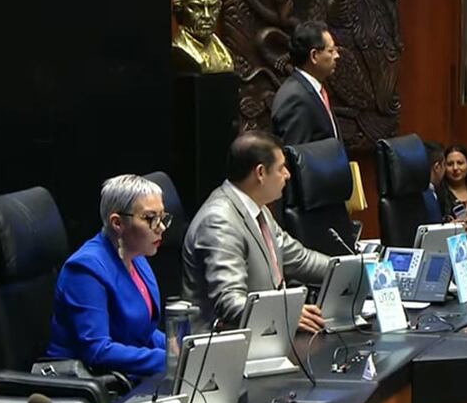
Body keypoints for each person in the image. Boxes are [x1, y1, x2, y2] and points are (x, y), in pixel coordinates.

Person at [182, 130, 330, 332]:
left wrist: (358, 270)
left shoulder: (258, 210)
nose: (287, 175)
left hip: (264, 335)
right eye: (281, 168)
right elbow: (229, 302)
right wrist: (285, 314)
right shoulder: (219, 221)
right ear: (260, 173)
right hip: (223, 348)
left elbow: (300, 258)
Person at [46, 175, 170, 378]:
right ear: (117, 223)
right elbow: (97, 350)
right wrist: (166, 361)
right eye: (150, 218)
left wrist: (185, 350)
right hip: (86, 386)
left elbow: (143, 331)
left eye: (162, 217)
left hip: (125, 375)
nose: (161, 227)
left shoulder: (135, 255)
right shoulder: (85, 269)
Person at [271, 21, 341, 145]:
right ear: (314, 56)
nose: (337, 55)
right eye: (331, 51)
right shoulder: (295, 98)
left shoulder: (311, 89)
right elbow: (296, 156)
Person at [170, 0, 234, 74]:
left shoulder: (224, 54)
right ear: (179, 9)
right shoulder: (178, 54)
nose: (207, 15)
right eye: (197, 7)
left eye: (213, 7)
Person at [437, 144, 467, 229]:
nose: (455, 168)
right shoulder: (439, 193)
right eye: (450, 164)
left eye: (460, 163)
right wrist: (450, 226)